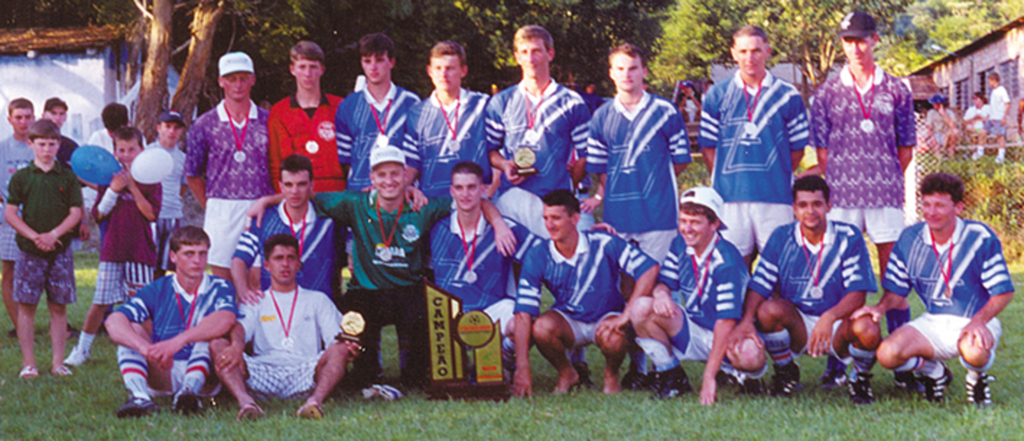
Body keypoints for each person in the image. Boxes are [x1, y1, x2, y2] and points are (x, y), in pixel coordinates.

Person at [248, 146, 514, 389]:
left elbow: (473, 200)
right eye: (382, 174)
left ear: (405, 176)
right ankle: (366, 372)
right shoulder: (355, 203)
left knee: (424, 320)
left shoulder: (422, 206)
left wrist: (499, 224)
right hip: (367, 288)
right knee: (355, 319)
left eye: (396, 174)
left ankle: (415, 373)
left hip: (407, 287)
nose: (390, 181)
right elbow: (302, 194)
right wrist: (267, 201)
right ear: (372, 179)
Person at [810, 10, 916, 389]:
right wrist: (845, 180)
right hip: (842, 197)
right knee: (843, 281)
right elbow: (822, 154)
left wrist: (881, 177)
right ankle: (838, 362)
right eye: (847, 40)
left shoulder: (898, 89)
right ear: (842, 44)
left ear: (874, 39)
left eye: (861, 39)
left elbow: (906, 149)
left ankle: (904, 362)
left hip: (885, 193)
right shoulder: (825, 93)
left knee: (893, 279)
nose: (855, 47)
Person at [850, 173, 1014, 408]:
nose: (931, 212)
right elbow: (897, 291)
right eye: (926, 204)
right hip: (935, 320)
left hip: (975, 318)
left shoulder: (980, 237)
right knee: (887, 354)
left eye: (940, 205)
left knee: (975, 351)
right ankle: (935, 372)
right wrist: (880, 307)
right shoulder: (909, 238)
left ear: (958, 207)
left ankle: (976, 380)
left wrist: (978, 321)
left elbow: (1003, 292)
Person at [729, 176, 881, 404]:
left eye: (817, 204)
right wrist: (747, 320)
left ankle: (860, 379)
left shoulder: (848, 236)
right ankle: (786, 371)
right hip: (798, 322)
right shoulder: (781, 237)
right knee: (768, 309)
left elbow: (858, 293)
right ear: (794, 209)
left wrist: (829, 317)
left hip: (838, 322)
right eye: (803, 205)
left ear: (829, 206)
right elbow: (760, 284)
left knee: (868, 327)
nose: (810, 211)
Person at [512, 190, 659, 396]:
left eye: (556, 218)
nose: (549, 225)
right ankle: (567, 372)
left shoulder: (603, 241)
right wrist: (522, 366)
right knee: (541, 328)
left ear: (575, 218)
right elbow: (523, 313)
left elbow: (649, 269)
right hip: (569, 319)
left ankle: (611, 374)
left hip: (606, 316)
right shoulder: (538, 254)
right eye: (546, 218)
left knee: (615, 337)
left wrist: (626, 315)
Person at [627, 187, 762, 405]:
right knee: (641, 307)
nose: (687, 229)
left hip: (729, 334)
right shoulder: (680, 244)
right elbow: (664, 282)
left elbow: (725, 322)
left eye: (695, 222)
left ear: (714, 224)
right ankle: (672, 376)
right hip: (694, 327)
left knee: (750, 355)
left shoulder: (727, 260)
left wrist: (708, 376)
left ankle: (743, 376)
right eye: (683, 220)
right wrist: (661, 294)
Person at [212, 234, 358, 420]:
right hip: (263, 371)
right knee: (218, 345)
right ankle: (247, 403)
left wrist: (349, 346)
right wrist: (236, 346)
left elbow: (336, 339)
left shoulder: (318, 299)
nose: (285, 264)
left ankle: (313, 403)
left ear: (298, 264)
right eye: (278, 258)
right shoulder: (255, 300)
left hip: (305, 371)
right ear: (267, 265)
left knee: (339, 348)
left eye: (291, 258)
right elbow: (240, 329)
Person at [699, 25, 810, 269]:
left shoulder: (787, 95)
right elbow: (708, 147)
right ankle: (740, 310)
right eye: (744, 51)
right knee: (735, 267)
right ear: (733, 53)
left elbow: (797, 149)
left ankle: (778, 310)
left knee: (780, 269)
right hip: (730, 198)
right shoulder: (717, 94)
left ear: (768, 51)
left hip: (776, 197)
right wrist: (724, 178)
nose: (750, 57)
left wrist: (777, 175)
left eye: (756, 51)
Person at [106, 226, 238, 417]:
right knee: (131, 331)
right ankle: (140, 398)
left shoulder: (220, 286)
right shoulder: (158, 288)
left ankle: (188, 395)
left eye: (202, 254)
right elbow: (114, 321)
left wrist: (179, 341)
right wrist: (145, 348)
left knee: (207, 336)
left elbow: (226, 319)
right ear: (173, 257)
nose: (197, 260)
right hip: (164, 368)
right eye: (189, 254)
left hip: (203, 374)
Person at [65, 127, 161, 367]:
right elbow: (98, 215)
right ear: (114, 151)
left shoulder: (151, 178)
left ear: (142, 150)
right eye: (121, 150)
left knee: (142, 303)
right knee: (100, 301)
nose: (126, 155)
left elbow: (151, 215)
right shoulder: (106, 179)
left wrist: (132, 188)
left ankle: (149, 348)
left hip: (140, 251)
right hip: (113, 249)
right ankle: (82, 349)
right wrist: (114, 189)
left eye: (132, 150)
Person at [430, 161, 541, 366]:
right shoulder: (437, 229)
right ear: (451, 191)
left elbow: (544, 254)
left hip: (493, 309)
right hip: (449, 314)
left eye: (472, 187)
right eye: (460, 188)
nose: (466, 194)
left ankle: (505, 357)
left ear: (483, 189)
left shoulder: (505, 229)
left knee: (525, 325)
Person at [487, 25, 591, 238]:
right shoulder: (501, 101)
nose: (531, 58)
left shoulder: (572, 102)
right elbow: (491, 151)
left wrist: (570, 180)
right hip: (513, 198)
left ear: (550, 54)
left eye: (536, 51)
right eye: (524, 52)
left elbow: (586, 154)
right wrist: (505, 164)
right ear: (517, 57)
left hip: (556, 200)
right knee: (515, 265)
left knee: (564, 261)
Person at [185, 52, 275, 281]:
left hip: (260, 208)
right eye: (232, 78)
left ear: (253, 80)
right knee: (224, 283)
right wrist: (211, 205)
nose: (238, 85)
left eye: (244, 78)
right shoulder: (204, 124)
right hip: (221, 211)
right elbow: (193, 174)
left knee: (258, 282)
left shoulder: (269, 120)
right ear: (221, 81)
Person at [4, 119, 83, 378]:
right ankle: (29, 363)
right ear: (31, 144)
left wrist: (53, 235)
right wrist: (35, 236)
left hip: (59, 251)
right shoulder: (22, 177)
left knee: (58, 306)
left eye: (52, 144)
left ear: (59, 144)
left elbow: (75, 212)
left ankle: (58, 362)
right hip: (29, 250)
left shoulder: (68, 176)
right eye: (41, 144)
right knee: (26, 306)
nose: (47, 149)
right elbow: (11, 213)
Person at [232, 154, 337, 303]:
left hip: (318, 306)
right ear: (281, 186)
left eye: (301, 184)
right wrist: (243, 291)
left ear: (311, 185)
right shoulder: (263, 219)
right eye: (288, 185)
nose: (295, 191)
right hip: (276, 307)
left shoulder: (328, 220)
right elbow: (239, 260)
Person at [403, 41, 493, 198]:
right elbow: (412, 163)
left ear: (463, 71)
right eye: (438, 69)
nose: (443, 74)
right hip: (432, 201)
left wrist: (492, 190)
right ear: (429, 71)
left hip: (475, 201)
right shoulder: (417, 112)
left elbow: (497, 152)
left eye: (450, 68)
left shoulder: (483, 105)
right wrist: (399, 188)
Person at [335, 33, 420, 191]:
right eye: (367, 61)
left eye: (379, 60)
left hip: (400, 193)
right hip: (360, 193)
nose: (373, 67)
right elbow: (345, 161)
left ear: (392, 62)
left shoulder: (411, 103)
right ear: (362, 63)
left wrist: (396, 187)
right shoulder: (348, 105)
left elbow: (415, 158)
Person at [268, 41, 345, 193]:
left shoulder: (340, 107)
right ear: (292, 69)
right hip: (296, 194)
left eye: (313, 67)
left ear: (322, 69)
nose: (308, 74)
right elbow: (275, 164)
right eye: (302, 67)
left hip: (336, 192)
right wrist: (285, 197)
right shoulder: (279, 112)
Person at [1, 98, 36, 338]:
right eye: (18, 117)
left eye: (27, 117)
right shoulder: (3, 149)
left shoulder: (40, 146)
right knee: (10, 272)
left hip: (39, 219)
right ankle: (20, 326)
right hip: (11, 219)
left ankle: (51, 319)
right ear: (9, 119)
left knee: (37, 272)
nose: (23, 122)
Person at [148, 110, 188, 279]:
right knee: (149, 264)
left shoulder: (183, 158)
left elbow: (183, 187)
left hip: (173, 215)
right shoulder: (148, 153)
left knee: (169, 265)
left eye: (176, 128)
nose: (172, 131)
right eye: (168, 126)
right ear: (159, 128)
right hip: (151, 216)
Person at [41, 97, 79, 169]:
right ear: (43, 116)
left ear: (65, 117)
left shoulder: (70, 146)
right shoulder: (32, 142)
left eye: (61, 114)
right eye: (53, 113)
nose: (58, 118)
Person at [981, 73, 1010, 163]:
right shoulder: (993, 91)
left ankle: (1001, 155)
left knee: (999, 136)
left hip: (999, 117)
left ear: (994, 80)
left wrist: (1004, 117)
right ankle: (980, 152)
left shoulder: (1002, 90)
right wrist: (988, 115)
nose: (989, 83)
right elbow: (993, 106)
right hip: (991, 117)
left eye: (989, 81)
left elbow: (1007, 103)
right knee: (982, 133)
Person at [924, 94, 959, 158]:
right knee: (935, 146)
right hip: (935, 135)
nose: (933, 105)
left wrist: (943, 114)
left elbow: (953, 127)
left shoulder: (950, 113)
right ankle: (938, 161)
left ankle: (951, 157)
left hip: (945, 136)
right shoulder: (931, 113)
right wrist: (933, 140)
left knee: (955, 132)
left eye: (934, 103)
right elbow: (929, 129)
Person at [964, 92, 990, 157]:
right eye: (973, 99)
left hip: (986, 128)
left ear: (982, 99)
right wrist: (974, 118)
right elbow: (965, 121)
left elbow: (991, 118)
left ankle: (979, 153)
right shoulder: (971, 109)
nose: (975, 100)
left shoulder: (988, 108)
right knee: (969, 127)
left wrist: (981, 118)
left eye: (976, 98)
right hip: (975, 129)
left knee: (982, 131)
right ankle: (978, 152)